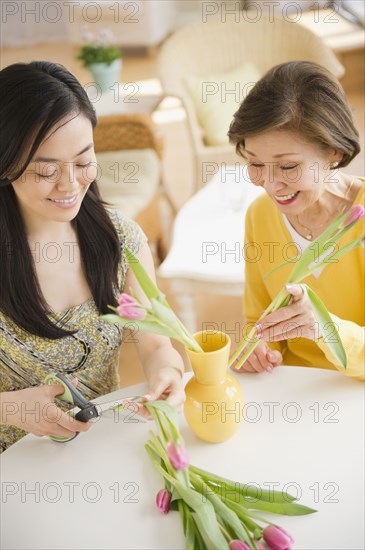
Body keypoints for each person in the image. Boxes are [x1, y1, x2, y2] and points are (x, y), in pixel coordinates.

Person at [0, 61, 185, 453]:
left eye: (84, 162)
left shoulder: (121, 242)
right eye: (46, 170)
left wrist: (167, 372)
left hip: (97, 456)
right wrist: (13, 409)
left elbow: (153, 343)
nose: (70, 185)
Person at [228, 61, 364, 381]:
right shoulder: (259, 216)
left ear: (333, 151)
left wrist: (323, 328)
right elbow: (257, 319)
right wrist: (259, 346)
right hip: (292, 393)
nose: (271, 184)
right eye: (255, 163)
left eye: (288, 167)